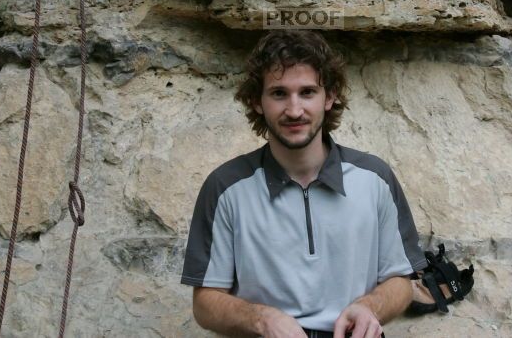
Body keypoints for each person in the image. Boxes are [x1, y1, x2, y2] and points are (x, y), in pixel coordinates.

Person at [181, 30, 444, 338]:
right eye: (279, 93)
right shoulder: (224, 186)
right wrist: (260, 319)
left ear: (329, 97)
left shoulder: (375, 178)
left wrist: (369, 307)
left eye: (307, 92)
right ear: (256, 101)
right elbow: (204, 303)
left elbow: (400, 281)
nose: (294, 110)